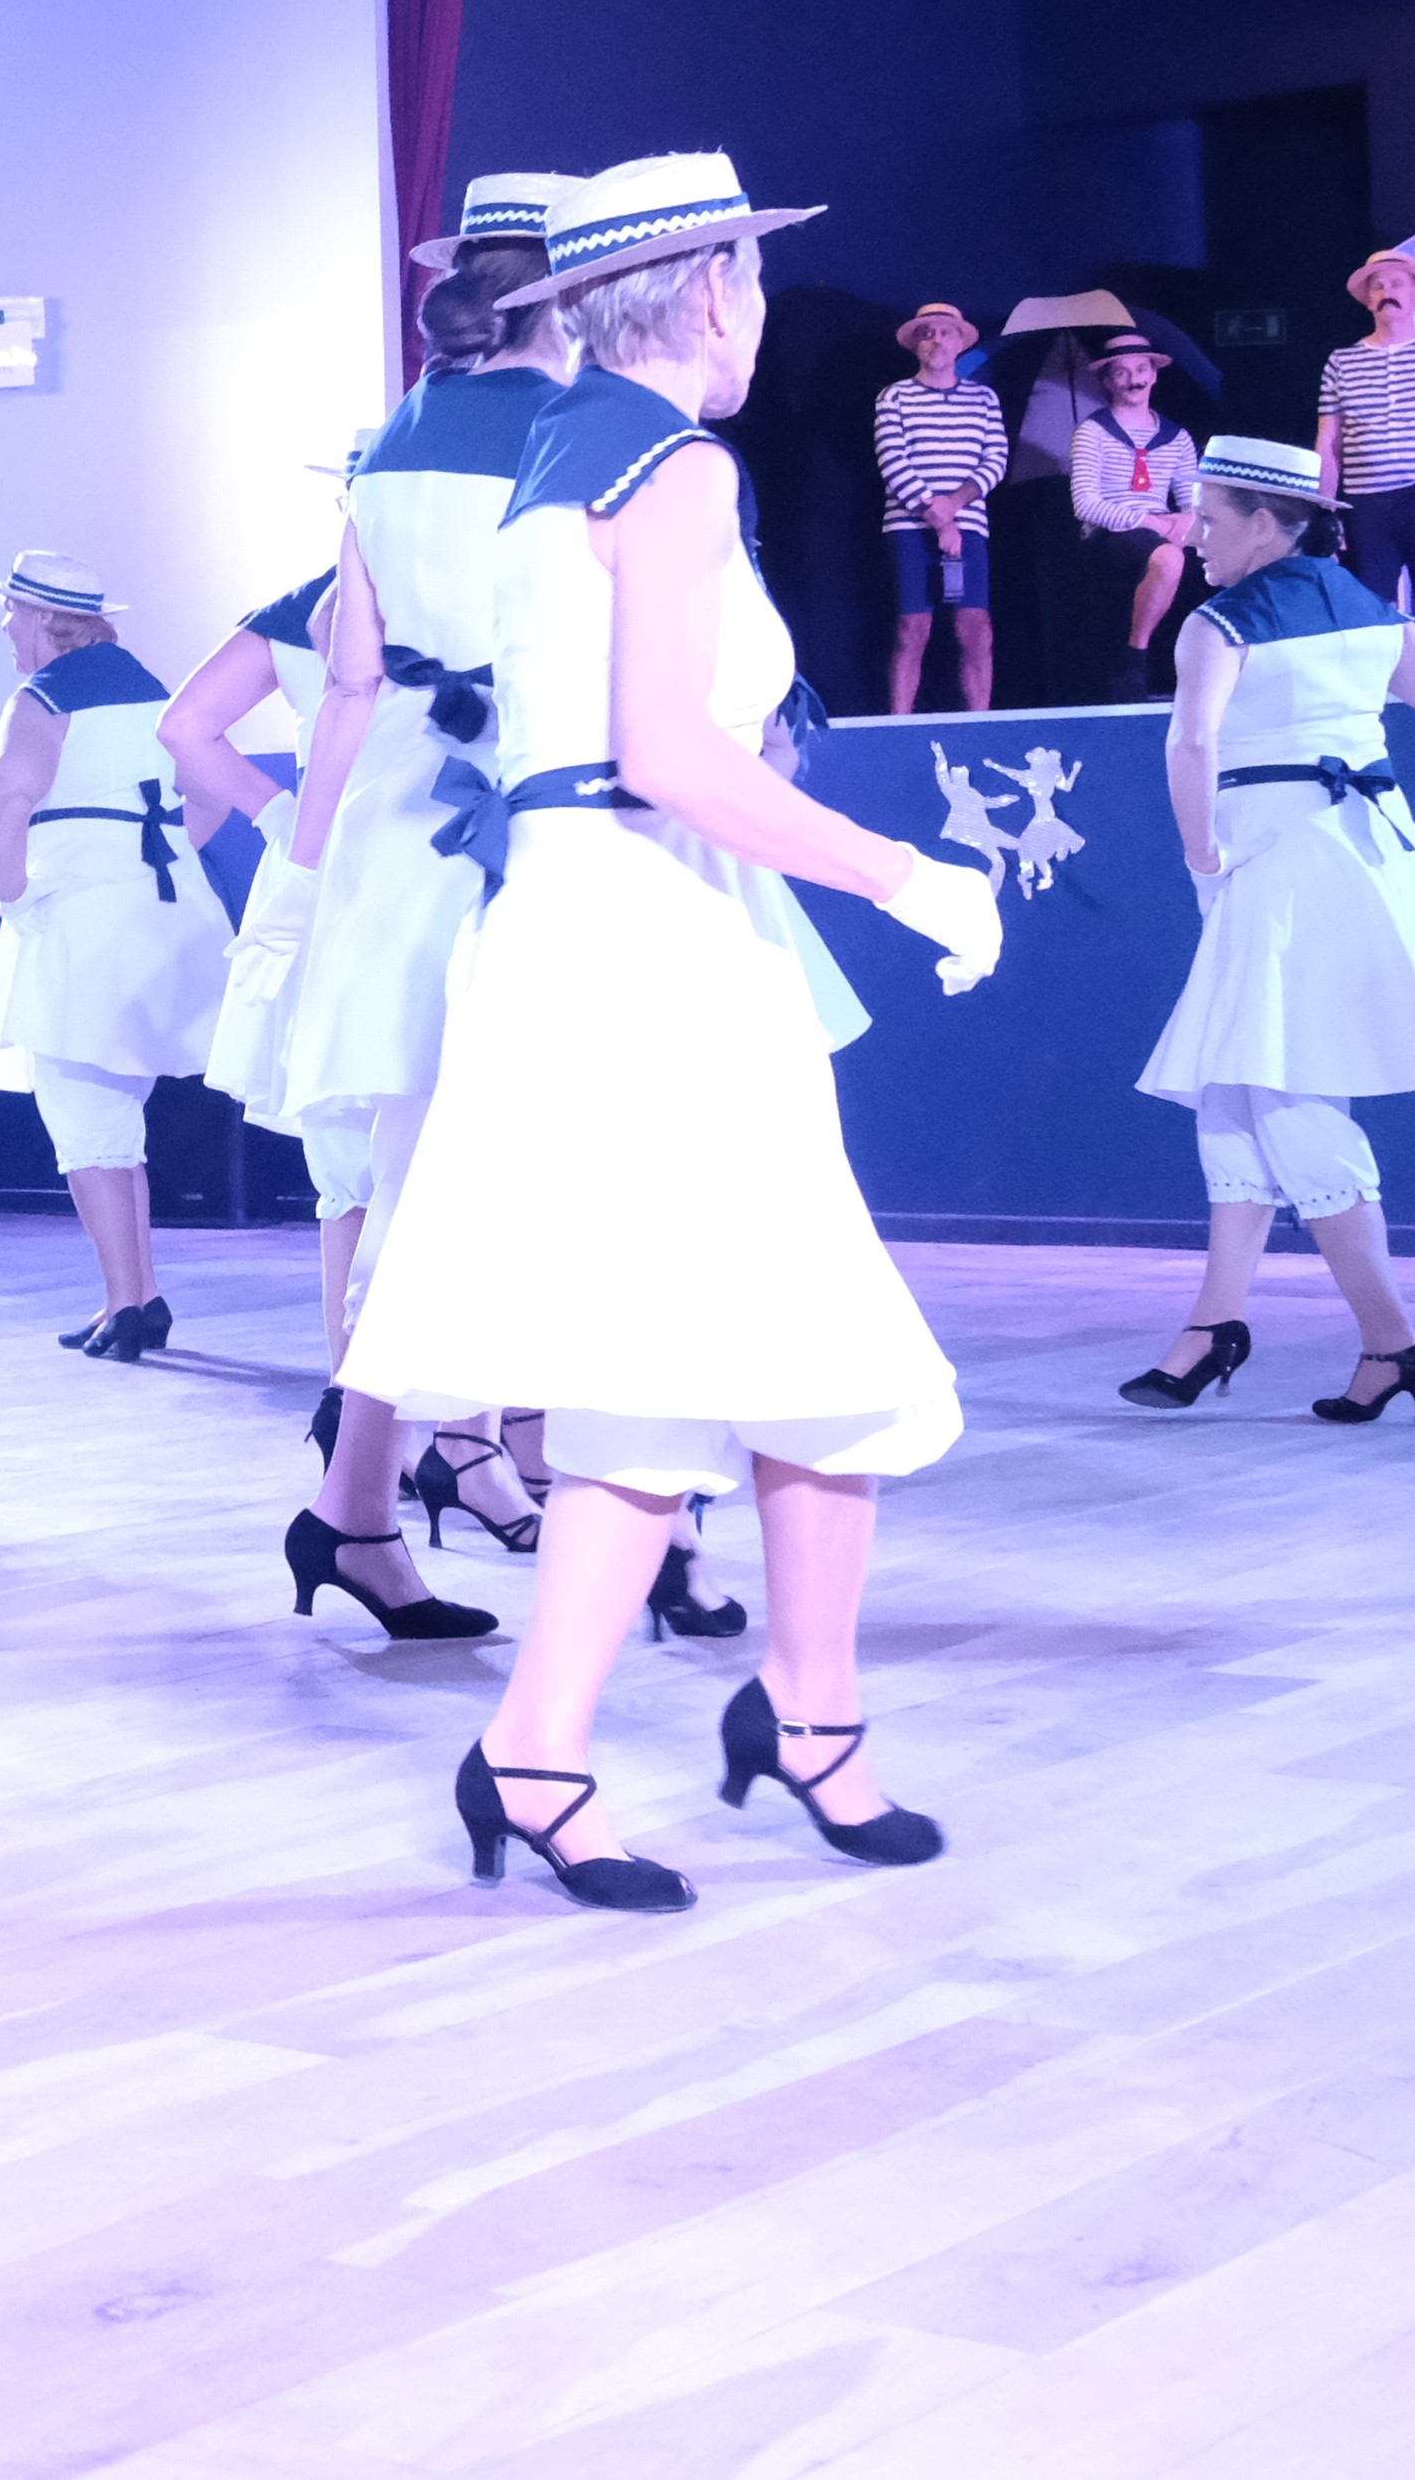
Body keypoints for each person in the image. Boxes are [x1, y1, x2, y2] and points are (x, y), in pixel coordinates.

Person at [348, 155, 1005, 1914]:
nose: (760, 309)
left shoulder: (558, 452)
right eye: (755, 279)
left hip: (581, 922)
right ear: (715, 288)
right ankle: (777, 1719)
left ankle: (588, 1743)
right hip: (648, 929)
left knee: (672, 1357)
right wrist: (908, 874)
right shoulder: (677, 466)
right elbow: (668, 749)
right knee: (801, 1341)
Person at [271, 214, 580, 1643]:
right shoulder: (586, 431)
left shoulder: (388, 445)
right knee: (533, 1171)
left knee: (426, 1173)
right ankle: (577, 1502)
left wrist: (311, 862)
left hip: (403, 803)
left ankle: (362, 1507)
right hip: (537, 793)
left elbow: (348, 671)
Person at [1125, 438, 1415, 1422]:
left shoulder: (1219, 623)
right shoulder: (1371, 612)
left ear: (1267, 523)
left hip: (1277, 866)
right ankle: (1213, 1324)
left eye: (1211, 519)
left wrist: (1199, 858)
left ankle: (1391, 1341)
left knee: (1285, 1094)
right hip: (1368, 852)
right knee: (1235, 1084)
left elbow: (1191, 740)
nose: (1195, 536)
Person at [0, 551, 227, 1361]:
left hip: (81, 916)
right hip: (168, 909)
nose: (3, 624)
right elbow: (211, 793)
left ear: (45, 619)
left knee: (85, 1123)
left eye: (11, 609)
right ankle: (137, 1296)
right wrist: (160, 858)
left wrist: (12, 894)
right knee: (116, 1122)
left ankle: (126, 1303)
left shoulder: (42, 697)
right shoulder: (160, 692)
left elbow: (8, 794)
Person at [168, 554, 362, 1432]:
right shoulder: (486, 569)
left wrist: (281, 815)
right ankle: (498, 1427)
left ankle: (353, 1407)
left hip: (318, 865)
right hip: (443, 852)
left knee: (346, 1162)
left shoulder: (302, 607)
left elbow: (187, 728)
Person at [1314, 249, 1415, 670]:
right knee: (1373, 616)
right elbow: (1328, 444)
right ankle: (1380, 702)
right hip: (1367, 504)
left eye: (1398, 283)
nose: (1388, 291)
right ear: (1368, 299)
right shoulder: (1341, 361)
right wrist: (1325, 513)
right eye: (1378, 285)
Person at [872, 303, 1005, 715]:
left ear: (960, 342)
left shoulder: (983, 398)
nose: (936, 340)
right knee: (912, 628)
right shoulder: (895, 396)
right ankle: (899, 725)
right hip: (909, 526)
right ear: (916, 344)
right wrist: (938, 518)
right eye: (927, 333)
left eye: (946, 332)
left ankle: (980, 723)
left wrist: (953, 506)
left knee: (975, 628)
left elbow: (996, 459)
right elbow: (893, 460)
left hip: (969, 526)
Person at [1068, 328, 1205, 685]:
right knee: (1169, 557)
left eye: (1141, 370)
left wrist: (1185, 522)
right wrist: (1151, 522)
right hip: (1109, 533)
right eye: (1122, 372)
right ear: (1108, 381)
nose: (1134, 380)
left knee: (1217, 558)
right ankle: (1135, 657)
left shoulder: (1176, 437)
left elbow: (1193, 500)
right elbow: (1085, 504)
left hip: (1159, 528)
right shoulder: (1093, 432)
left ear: (1154, 375)